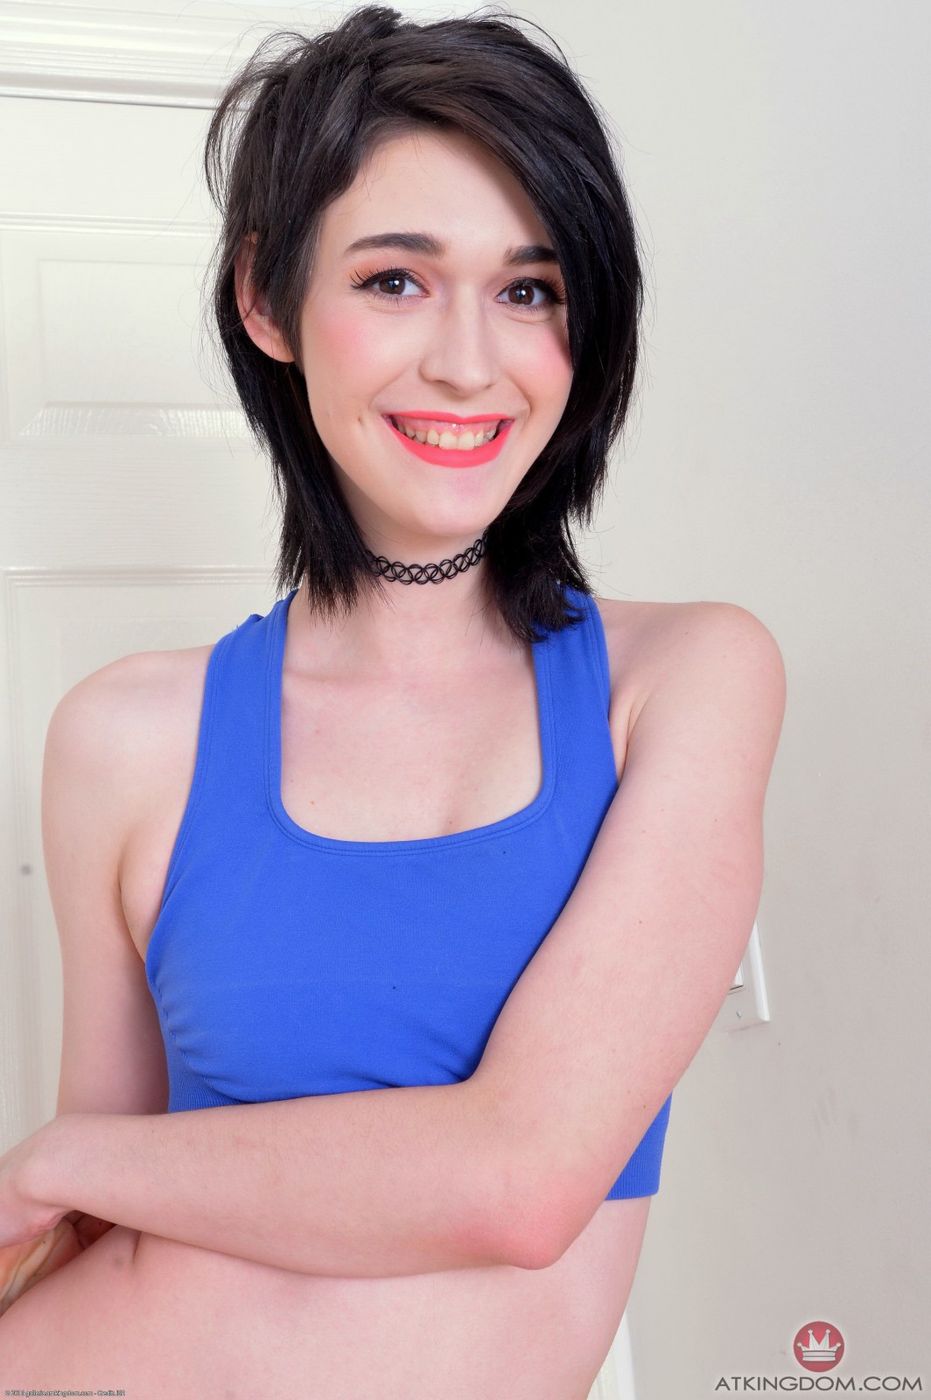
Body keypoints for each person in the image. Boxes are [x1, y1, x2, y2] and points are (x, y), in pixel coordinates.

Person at [0, 5, 785, 1394]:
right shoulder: (124, 739)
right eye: (397, 281)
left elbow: (522, 1182)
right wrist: (76, 1173)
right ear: (266, 300)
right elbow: (100, 1225)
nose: (469, 364)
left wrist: (57, 1159)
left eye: (530, 291)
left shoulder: (684, 683)